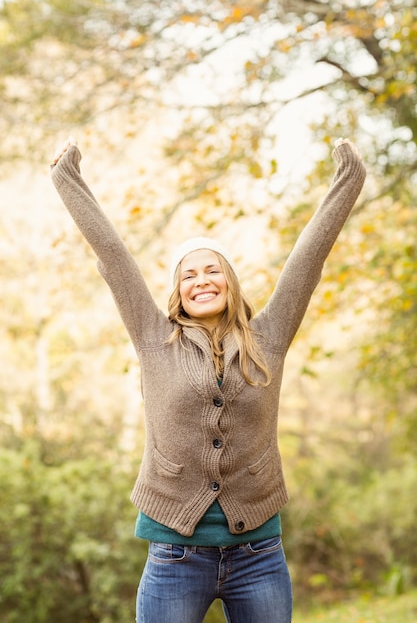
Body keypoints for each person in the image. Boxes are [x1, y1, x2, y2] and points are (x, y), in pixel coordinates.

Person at [51, 136, 366, 623]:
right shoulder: (154, 336)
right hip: (175, 556)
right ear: (178, 289)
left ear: (229, 280)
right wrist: (66, 178)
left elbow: (308, 261)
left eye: (212, 270)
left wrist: (349, 179)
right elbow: (113, 256)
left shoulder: (270, 335)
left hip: (259, 554)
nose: (201, 280)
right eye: (188, 274)